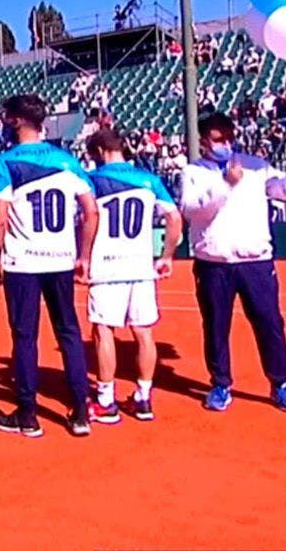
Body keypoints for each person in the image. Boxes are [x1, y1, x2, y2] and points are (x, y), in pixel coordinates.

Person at [179, 112, 286, 413]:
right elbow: (192, 209)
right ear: (204, 140)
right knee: (216, 326)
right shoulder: (192, 172)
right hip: (213, 263)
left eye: (229, 137)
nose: (226, 143)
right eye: (218, 138)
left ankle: (280, 384)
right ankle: (220, 384)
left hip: (256, 261)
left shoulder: (255, 166)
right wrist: (225, 184)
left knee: (270, 323)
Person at [0, 93, 99, 437]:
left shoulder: (6, 161)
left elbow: (0, 218)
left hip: (23, 261)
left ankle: (28, 414)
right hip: (60, 258)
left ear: (18, 120)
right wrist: (84, 255)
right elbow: (91, 211)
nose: (4, 123)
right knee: (68, 332)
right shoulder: (66, 160)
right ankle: (80, 412)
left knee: (25, 337)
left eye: (7, 117)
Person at [84, 129, 183, 423]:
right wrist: (166, 255)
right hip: (140, 266)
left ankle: (105, 400)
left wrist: (83, 255)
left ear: (100, 151)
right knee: (143, 331)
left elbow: (88, 217)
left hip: (107, 265)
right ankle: (143, 397)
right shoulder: (149, 179)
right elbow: (174, 218)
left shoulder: (93, 179)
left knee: (104, 330)